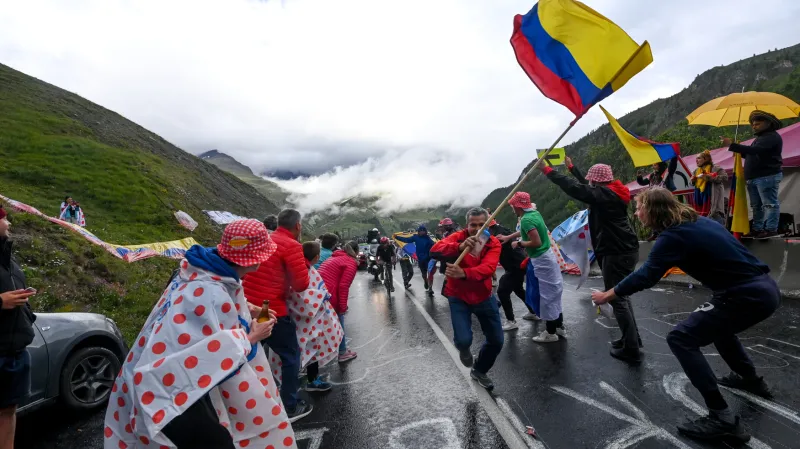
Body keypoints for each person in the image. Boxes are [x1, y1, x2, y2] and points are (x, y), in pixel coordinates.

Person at [591, 188, 777, 444]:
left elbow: (646, 275)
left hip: (743, 295)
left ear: (653, 210)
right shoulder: (700, 221)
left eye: (639, 207)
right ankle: (749, 379)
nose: (636, 212)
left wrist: (608, 294)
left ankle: (722, 419)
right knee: (719, 329)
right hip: (764, 287)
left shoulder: (673, 237)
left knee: (681, 338)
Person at [103, 219, 299, 449]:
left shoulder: (198, 271)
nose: (259, 265)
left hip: (157, 381)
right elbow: (209, 356)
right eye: (258, 258)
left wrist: (247, 307)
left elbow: (208, 314)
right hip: (169, 394)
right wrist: (252, 336)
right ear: (249, 260)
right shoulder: (211, 293)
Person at [540, 160, 643, 363]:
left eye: (591, 180)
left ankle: (632, 349)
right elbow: (588, 189)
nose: (590, 183)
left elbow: (579, 190)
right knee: (621, 296)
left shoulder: (605, 195)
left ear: (596, 182)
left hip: (616, 251)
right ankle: (631, 340)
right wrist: (572, 168)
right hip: (622, 249)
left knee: (617, 298)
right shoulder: (613, 191)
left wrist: (548, 171)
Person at [242, 209, 312, 421]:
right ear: (298, 226)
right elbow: (301, 285)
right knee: (290, 355)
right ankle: (289, 405)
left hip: (247, 304)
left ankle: (251, 402)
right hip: (269, 308)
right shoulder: (292, 245)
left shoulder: (266, 238)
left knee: (252, 353)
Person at [431, 207, 502, 391]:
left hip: (483, 296)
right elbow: (435, 249)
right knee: (463, 340)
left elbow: (488, 268)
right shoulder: (458, 236)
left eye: (481, 224)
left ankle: (479, 370)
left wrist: (464, 273)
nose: (477, 228)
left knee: (496, 341)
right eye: (473, 225)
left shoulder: (493, 243)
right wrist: (459, 247)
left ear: (487, 224)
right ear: (467, 225)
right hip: (458, 296)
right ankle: (463, 349)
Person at [0, 205, 37, 449]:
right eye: (4, 218)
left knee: (8, 411)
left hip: (15, 351)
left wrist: (27, 311)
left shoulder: (9, 259)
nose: (9, 223)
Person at [507, 192, 565, 343]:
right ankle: (559, 326)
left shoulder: (526, 220)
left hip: (541, 260)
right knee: (553, 292)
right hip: (547, 256)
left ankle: (550, 333)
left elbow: (536, 242)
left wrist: (518, 243)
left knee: (546, 295)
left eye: (513, 205)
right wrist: (509, 237)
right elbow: (528, 231)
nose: (512, 207)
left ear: (517, 206)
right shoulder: (534, 213)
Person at [286, 241, 342, 393]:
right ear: (317, 257)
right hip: (307, 319)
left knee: (301, 349)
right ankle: (312, 381)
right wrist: (322, 295)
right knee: (311, 347)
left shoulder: (299, 268)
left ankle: (306, 376)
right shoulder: (303, 270)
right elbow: (303, 295)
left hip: (298, 317)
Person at [722, 110, 784, 238]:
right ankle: (758, 228)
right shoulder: (760, 138)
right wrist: (740, 153)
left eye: (757, 123)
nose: (754, 126)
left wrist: (733, 146)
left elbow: (756, 150)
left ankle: (771, 229)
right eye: (753, 124)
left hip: (766, 176)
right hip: (755, 177)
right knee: (757, 206)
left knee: (769, 203)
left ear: (768, 123)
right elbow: (753, 154)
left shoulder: (771, 137)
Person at [488, 220, 537, 330]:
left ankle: (511, 321)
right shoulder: (501, 230)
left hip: (515, 266)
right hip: (517, 263)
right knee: (518, 289)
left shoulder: (498, 235)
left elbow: (490, 249)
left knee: (502, 291)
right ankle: (534, 312)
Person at [318, 241, 360, 363]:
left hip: (319, 290)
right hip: (328, 293)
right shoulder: (350, 262)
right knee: (339, 320)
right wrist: (342, 306)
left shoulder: (336, 257)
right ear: (356, 252)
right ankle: (342, 352)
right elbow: (343, 286)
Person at [690, 150, 728, 226]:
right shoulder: (696, 171)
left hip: (713, 200)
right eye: (696, 158)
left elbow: (725, 178)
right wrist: (692, 181)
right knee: (701, 220)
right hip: (700, 199)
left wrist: (709, 178)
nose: (696, 160)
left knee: (716, 218)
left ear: (706, 159)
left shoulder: (715, 168)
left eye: (699, 158)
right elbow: (691, 183)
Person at [395, 225, 435, 290]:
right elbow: (406, 240)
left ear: (425, 231)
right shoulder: (415, 237)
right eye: (420, 231)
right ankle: (425, 281)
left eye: (423, 231)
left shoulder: (428, 238)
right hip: (420, 259)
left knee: (430, 273)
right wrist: (397, 237)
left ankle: (430, 288)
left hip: (428, 259)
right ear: (418, 232)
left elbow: (434, 245)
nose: (422, 232)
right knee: (424, 274)